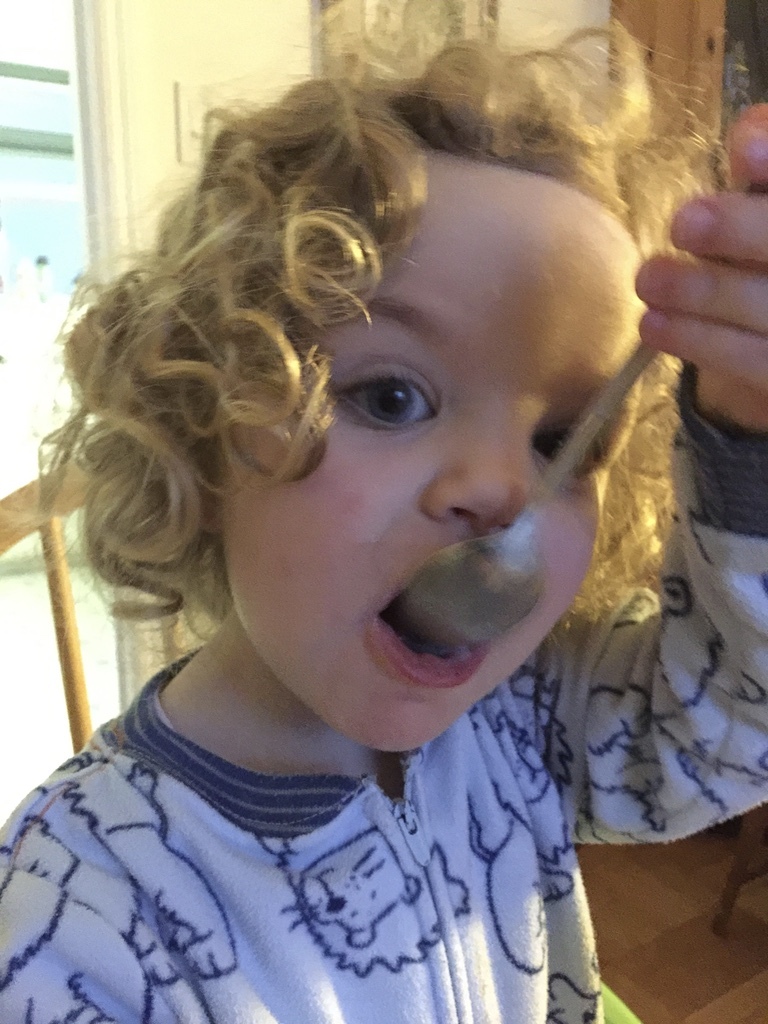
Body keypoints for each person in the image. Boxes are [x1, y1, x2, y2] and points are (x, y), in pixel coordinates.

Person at [1, 23, 768, 1024]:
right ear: (201, 422)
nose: (501, 488)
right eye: (392, 397)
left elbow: (730, 720)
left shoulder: (529, 714)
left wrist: (747, 436)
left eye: (561, 441)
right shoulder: (78, 917)